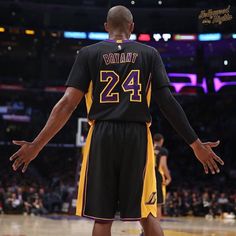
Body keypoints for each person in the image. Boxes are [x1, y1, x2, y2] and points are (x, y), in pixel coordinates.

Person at [9, 5, 224, 236]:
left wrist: (36, 145)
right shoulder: (150, 54)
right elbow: (168, 103)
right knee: (147, 215)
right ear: (131, 27)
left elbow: (66, 104)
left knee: (102, 219)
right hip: (137, 136)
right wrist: (195, 144)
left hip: (101, 135)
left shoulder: (89, 53)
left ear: (106, 27)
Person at [153, 133, 171, 220]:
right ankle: (155, 229)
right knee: (158, 204)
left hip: (147, 177)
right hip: (157, 177)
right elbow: (163, 165)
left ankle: (144, 229)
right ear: (162, 140)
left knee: (147, 203)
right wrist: (169, 177)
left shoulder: (148, 149)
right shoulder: (163, 151)